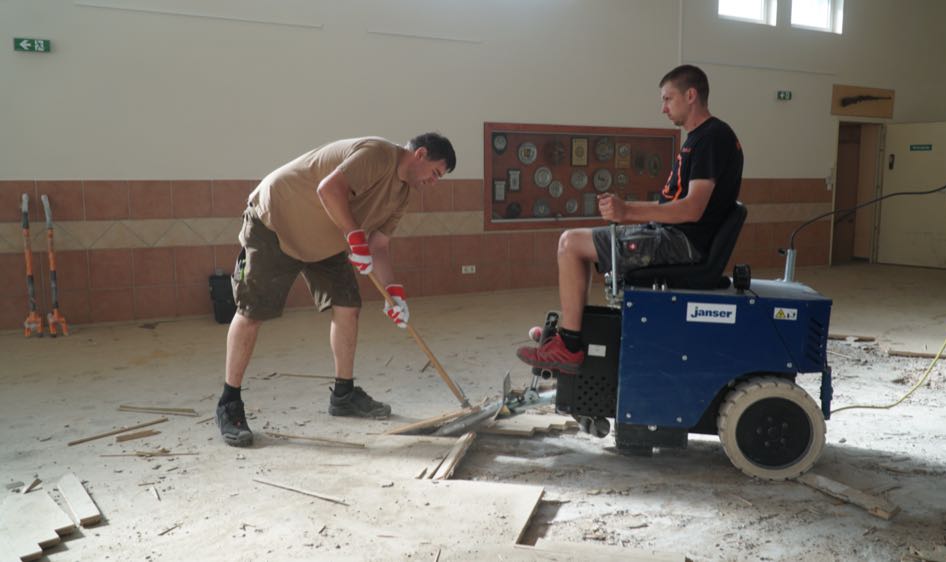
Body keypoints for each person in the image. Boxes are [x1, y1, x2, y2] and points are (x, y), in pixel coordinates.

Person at [216, 133, 457, 447]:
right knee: (251, 312)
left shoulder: (402, 195)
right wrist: (353, 234)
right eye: (435, 173)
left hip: (325, 241)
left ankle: (343, 395)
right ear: (421, 154)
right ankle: (228, 403)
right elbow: (329, 189)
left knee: (347, 306)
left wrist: (393, 293)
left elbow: (379, 246)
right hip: (275, 223)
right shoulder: (378, 154)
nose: (433, 182)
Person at [516, 65, 743, 375]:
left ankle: (568, 346)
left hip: (682, 243)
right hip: (672, 234)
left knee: (570, 243)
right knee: (575, 242)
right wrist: (629, 213)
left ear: (691, 95)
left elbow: (692, 210)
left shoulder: (712, 137)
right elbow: (673, 203)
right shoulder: (700, 139)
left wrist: (628, 212)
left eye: (668, 99)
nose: (663, 108)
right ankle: (573, 332)